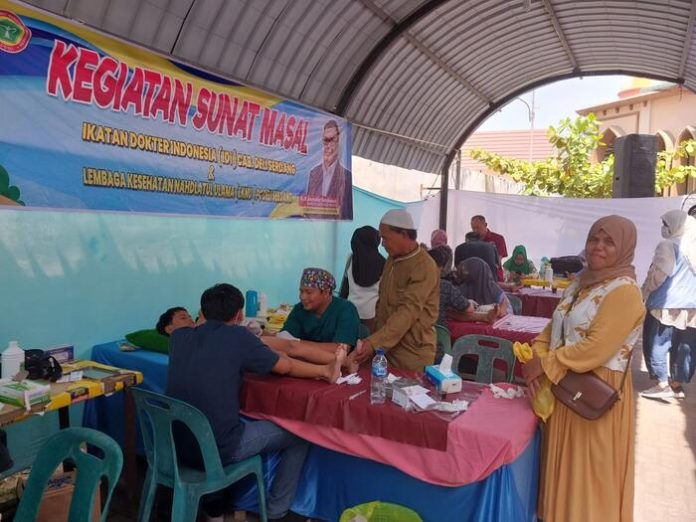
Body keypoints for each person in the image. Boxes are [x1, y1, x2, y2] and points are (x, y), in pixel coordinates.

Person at [167, 283, 344, 522]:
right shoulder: (238, 337)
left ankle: (216, 507)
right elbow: (286, 366)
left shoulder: (178, 337)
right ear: (239, 315)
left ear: (202, 312)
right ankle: (276, 512)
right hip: (217, 448)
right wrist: (324, 372)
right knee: (302, 433)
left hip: (173, 445)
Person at [522, 215, 645, 522]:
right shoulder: (579, 283)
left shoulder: (624, 292)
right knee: (562, 466)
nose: (598, 247)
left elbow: (596, 348)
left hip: (593, 394)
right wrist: (537, 355)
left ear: (625, 248)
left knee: (588, 473)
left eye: (609, 242)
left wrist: (546, 364)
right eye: (594, 239)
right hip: (564, 388)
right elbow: (552, 329)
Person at [352, 209, 440, 371]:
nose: (382, 244)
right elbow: (382, 300)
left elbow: (408, 311)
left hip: (411, 354)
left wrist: (373, 343)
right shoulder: (392, 260)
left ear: (404, 234)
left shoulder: (424, 266)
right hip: (384, 348)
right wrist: (375, 338)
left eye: (385, 238)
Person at [640, 209, 696, 399]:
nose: (663, 228)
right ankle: (677, 384)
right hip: (691, 306)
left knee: (656, 341)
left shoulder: (668, 245)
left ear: (675, 225)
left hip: (665, 304)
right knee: (685, 344)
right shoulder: (693, 247)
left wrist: (644, 292)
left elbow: (658, 275)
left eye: (666, 224)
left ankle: (661, 382)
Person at [281, 267, 361, 352]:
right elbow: (283, 340)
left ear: (326, 292)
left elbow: (341, 349)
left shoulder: (346, 310)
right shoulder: (299, 309)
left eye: (309, 292)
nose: (302, 297)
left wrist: (297, 344)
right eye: (301, 291)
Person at [339, 226, 385, 333]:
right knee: (367, 346)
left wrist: (340, 309)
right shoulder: (383, 263)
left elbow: (345, 287)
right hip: (371, 315)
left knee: (348, 344)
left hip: (350, 311)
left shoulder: (351, 258)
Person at [305, 120, 353, 219]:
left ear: (339, 142)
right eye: (326, 140)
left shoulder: (346, 176)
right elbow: (308, 209)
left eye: (333, 140)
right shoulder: (314, 173)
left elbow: (346, 213)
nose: (329, 145)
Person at [470, 215, 507, 280]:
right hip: (477, 278)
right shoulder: (471, 241)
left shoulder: (499, 239)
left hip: (495, 278)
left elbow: (497, 261)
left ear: (485, 225)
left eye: (478, 228)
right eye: (473, 228)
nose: (475, 231)